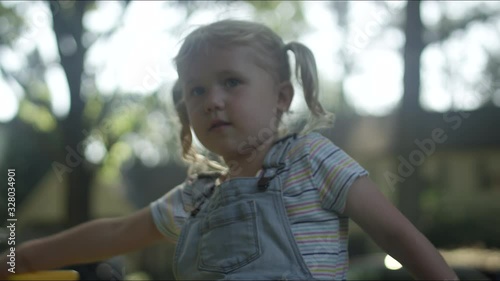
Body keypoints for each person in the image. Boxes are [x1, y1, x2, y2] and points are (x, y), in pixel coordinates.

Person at [0, 19, 458, 280]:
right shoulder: (196, 198)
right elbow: (114, 233)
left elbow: (398, 236)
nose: (211, 99)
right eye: (195, 91)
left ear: (281, 97)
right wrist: (20, 259)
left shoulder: (312, 160)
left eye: (231, 82)